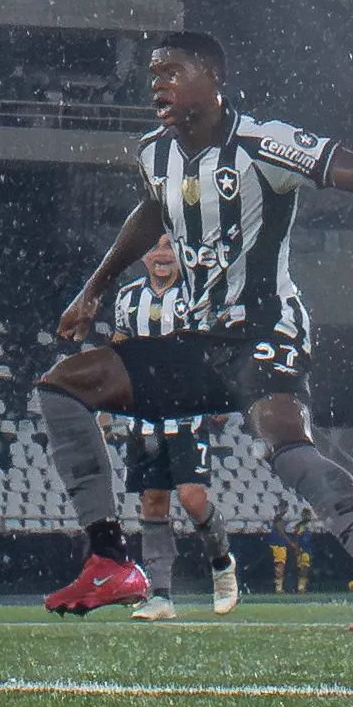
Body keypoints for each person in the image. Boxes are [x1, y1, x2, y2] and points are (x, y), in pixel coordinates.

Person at [38, 31, 353, 632]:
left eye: (171, 70)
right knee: (65, 384)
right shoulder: (154, 153)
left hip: (266, 329)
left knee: (283, 443)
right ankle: (109, 560)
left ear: (212, 78)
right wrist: (95, 287)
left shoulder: (263, 143)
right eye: (152, 73)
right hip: (202, 341)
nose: (157, 83)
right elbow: (153, 209)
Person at [95, 234, 237, 621]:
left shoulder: (197, 295)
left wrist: (222, 392)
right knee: (152, 502)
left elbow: (218, 345)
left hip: (187, 414)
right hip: (144, 417)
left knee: (192, 499)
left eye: (169, 247)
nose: (161, 254)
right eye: (154, 247)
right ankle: (160, 595)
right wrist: (106, 404)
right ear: (143, 256)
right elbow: (119, 350)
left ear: (181, 254)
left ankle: (222, 565)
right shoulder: (127, 299)